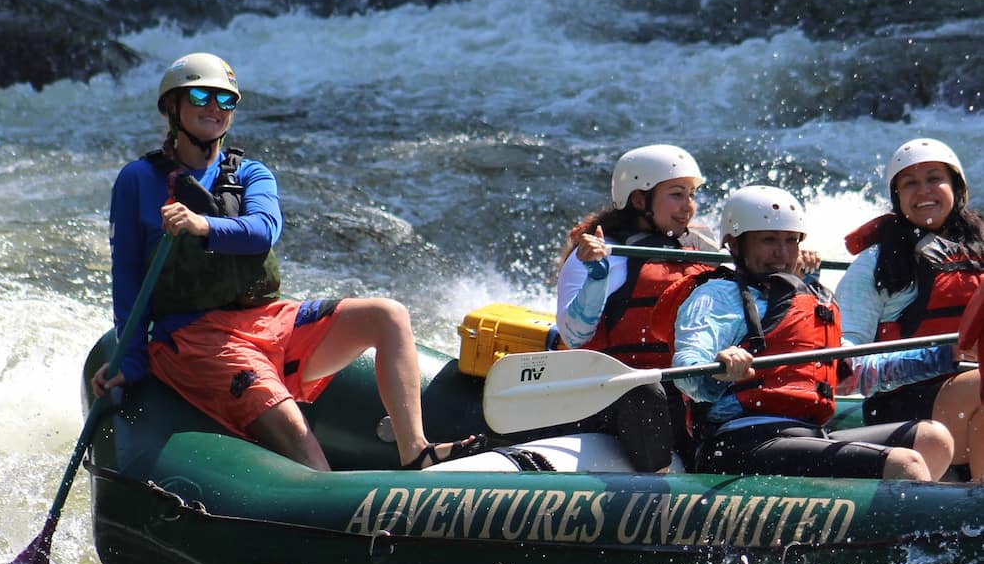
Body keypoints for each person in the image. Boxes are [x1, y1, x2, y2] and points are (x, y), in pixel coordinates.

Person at [93, 51, 484, 472]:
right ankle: (327, 496)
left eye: (226, 100)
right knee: (296, 430)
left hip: (265, 319)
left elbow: (263, 230)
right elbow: (127, 276)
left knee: (388, 315)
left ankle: (415, 451)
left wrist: (202, 225)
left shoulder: (251, 174)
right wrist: (130, 362)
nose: (215, 108)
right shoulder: (138, 180)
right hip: (193, 339)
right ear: (173, 106)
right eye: (202, 96)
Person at [664, 184, 953, 480]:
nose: (782, 253)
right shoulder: (717, 296)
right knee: (905, 464)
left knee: (933, 439)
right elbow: (687, 366)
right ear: (735, 245)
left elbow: (854, 371)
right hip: (739, 444)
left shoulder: (808, 301)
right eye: (768, 240)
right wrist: (718, 369)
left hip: (806, 435)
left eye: (791, 241)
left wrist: (946, 356)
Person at [555, 143, 718, 470]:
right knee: (646, 393)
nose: (688, 206)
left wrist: (794, 272)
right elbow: (574, 336)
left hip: (682, 391)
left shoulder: (697, 248)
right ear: (640, 199)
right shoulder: (602, 254)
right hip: (614, 393)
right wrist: (596, 278)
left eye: (691, 195)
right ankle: (658, 485)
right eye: (676, 194)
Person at [834, 136, 984, 479]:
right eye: (910, 183)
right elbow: (845, 370)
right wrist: (942, 356)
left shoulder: (980, 249)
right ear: (897, 196)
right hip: (906, 411)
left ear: (956, 188)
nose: (923, 191)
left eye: (934, 179)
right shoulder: (874, 265)